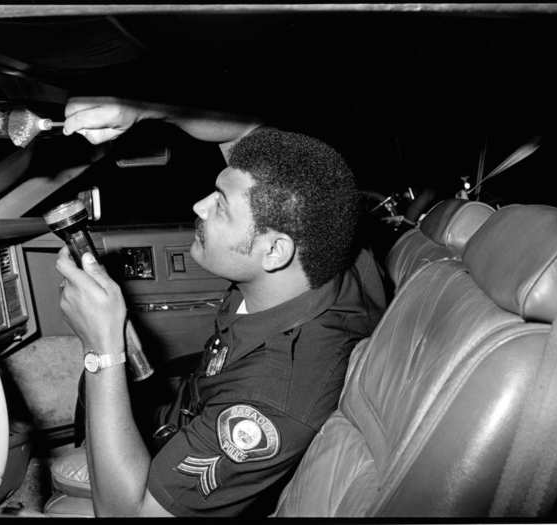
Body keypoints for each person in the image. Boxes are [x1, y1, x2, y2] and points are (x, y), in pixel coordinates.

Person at [55, 97, 385, 517]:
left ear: (274, 251)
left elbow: (128, 515)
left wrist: (101, 349)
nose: (199, 207)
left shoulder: (270, 401)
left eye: (220, 205)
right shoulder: (326, 246)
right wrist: (141, 111)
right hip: (181, 420)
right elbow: (242, 129)